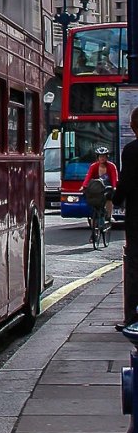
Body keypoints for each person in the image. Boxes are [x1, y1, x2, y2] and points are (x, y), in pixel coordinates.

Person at [114, 108, 138, 329]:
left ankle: (132, 318)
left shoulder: (132, 150)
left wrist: (116, 199)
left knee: (134, 267)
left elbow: (126, 182)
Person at [81, 145, 118, 220]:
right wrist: (84, 186)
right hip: (97, 187)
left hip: (108, 187)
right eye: (100, 156)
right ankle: (94, 217)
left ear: (107, 157)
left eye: (104, 156)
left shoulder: (111, 166)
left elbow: (114, 178)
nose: (102, 158)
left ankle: (109, 216)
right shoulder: (93, 166)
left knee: (109, 198)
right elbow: (88, 177)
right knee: (93, 199)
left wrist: (114, 187)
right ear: (97, 157)